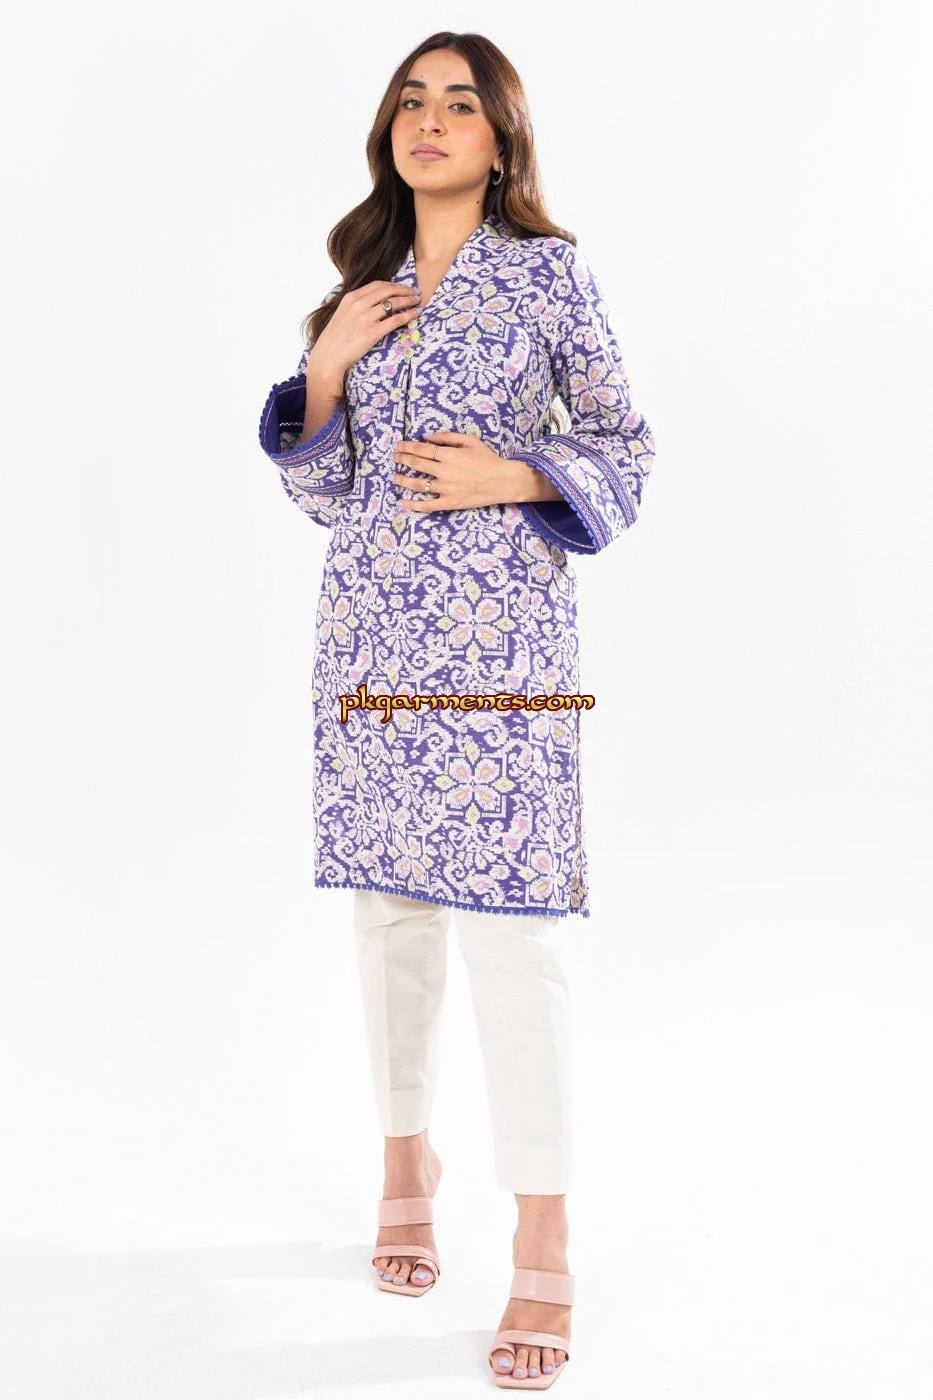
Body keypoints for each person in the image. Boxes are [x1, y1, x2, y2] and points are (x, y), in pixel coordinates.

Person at [257, 31, 656, 1389]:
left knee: (513, 939)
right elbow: (325, 495)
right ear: (390, 131)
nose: (431, 121)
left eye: (461, 105)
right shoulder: (357, 294)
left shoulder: (549, 275)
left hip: (501, 649)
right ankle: (402, 1162)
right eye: (412, 102)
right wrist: (324, 373)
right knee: (391, 918)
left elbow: (626, 448)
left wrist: (516, 475)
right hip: (370, 642)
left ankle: (542, 1230)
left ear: (500, 140)